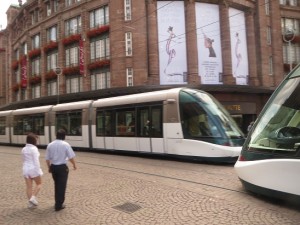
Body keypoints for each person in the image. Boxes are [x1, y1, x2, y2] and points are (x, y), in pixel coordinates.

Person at [45, 129, 77, 211]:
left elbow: (47, 159)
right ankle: (59, 205)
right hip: (62, 168)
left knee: (57, 185)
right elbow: (70, 157)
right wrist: (74, 165)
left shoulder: (50, 145)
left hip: (54, 167)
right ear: (64, 136)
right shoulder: (65, 144)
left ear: (56, 135)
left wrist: (49, 167)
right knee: (61, 186)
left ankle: (57, 202)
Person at [22, 133, 43, 209]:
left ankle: (30, 204)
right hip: (33, 169)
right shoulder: (34, 149)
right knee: (39, 184)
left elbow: (24, 160)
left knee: (29, 187)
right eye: (36, 139)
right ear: (33, 140)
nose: (37, 141)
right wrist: (38, 171)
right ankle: (32, 198)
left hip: (25, 169)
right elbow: (36, 161)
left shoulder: (24, 149)